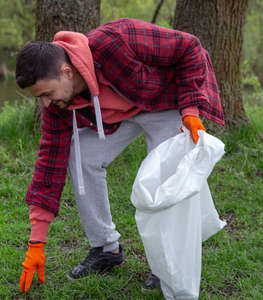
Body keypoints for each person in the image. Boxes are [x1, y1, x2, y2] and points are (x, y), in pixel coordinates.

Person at [16, 18, 224, 293]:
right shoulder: (58, 105)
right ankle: (106, 247)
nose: (45, 103)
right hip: (119, 118)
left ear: (67, 72)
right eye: (39, 98)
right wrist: (36, 242)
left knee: (164, 176)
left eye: (46, 93)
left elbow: (190, 48)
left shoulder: (117, 40)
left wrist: (190, 111)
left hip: (163, 103)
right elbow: (48, 166)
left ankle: (164, 264)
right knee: (80, 155)